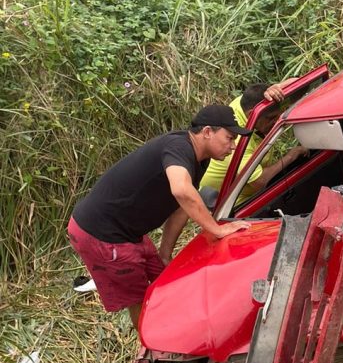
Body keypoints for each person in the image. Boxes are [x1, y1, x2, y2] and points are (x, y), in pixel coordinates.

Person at [68, 105, 253, 328]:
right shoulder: (178, 146)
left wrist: (165, 253)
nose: (232, 146)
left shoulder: (200, 159)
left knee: (164, 278)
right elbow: (182, 190)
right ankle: (153, 347)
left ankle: (177, 327)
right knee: (140, 298)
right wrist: (217, 229)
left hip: (130, 230)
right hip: (102, 233)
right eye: (229, 138)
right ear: (207, 132)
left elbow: (180, 208)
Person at [199, 81, 308, 203]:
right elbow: (260, 181)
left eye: (278, 116)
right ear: (252, 114)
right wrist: (292, 155)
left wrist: (277, 88)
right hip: (233, 204)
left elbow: (302, 84)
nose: (276, 121)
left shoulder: (249, 103)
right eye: (271, 118)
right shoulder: (236, 142)